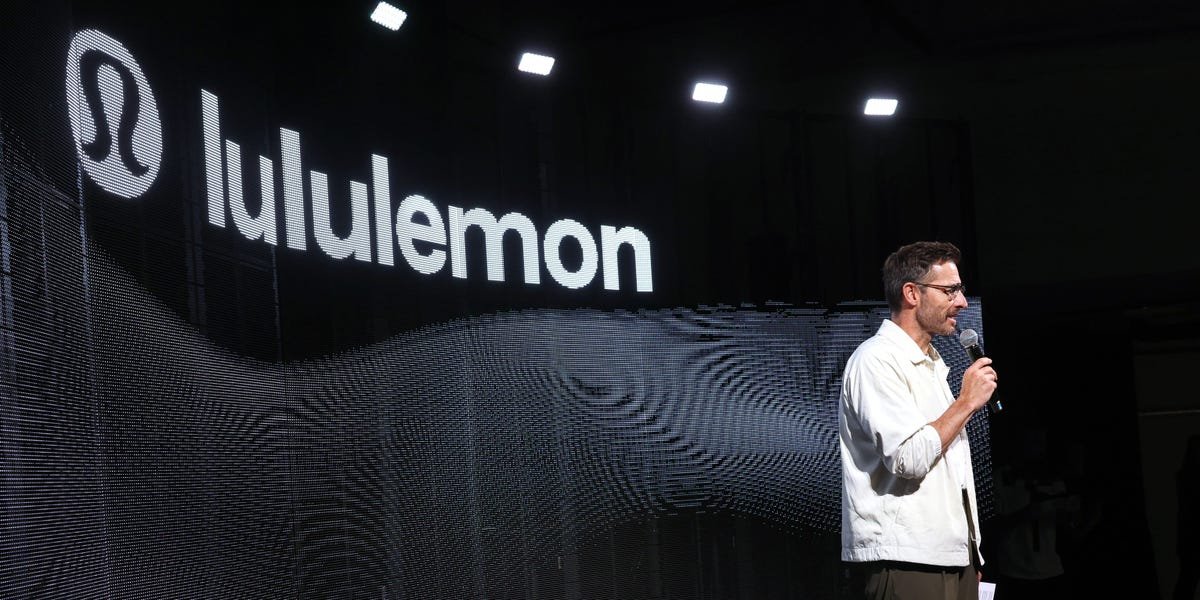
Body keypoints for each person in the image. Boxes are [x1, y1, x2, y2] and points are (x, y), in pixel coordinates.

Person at [840, 241, 998, 600]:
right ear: (912, 293)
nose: (962, 302)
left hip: (951, 558)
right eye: (950, 291)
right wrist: (966, 403)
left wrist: (967, 552)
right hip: (907, 559)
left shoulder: (931, 363)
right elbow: (908, 458)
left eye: (960, 290)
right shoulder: (876, 361)